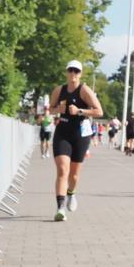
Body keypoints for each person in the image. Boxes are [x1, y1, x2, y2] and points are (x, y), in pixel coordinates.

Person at [50, 60, 103, 222]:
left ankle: (71, 194)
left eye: (76, 71)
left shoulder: (84, 90)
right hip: (63, 133)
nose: (73, 74)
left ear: (80, 74)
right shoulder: (59, 90)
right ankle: (60, 208)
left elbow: (99, 111)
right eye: (70, 70)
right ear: (66, 72)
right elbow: (51, 109)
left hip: (80, 135)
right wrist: (56, 110)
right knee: (62, 170)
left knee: (74, 176)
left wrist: (80, 111)